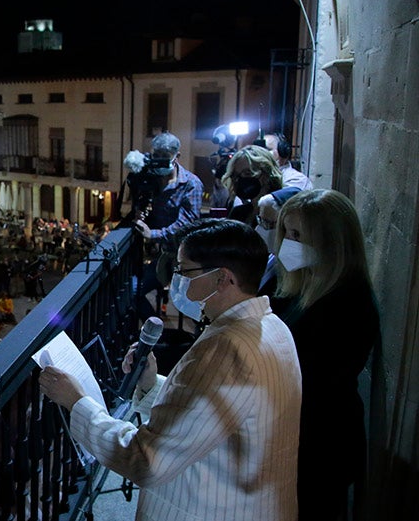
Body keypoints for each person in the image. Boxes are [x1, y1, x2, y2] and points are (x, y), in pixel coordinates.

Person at [40, 218, 302, 521]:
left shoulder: (225, 349)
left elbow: (147, 461)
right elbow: (216, 411)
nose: (174, 281)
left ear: (222, 279)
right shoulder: (273, 327)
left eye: (184, 271)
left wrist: (77, 402)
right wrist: (152, 385)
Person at [273, 189, 378, 520]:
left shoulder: (348, 301)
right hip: (301, 434)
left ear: (332, 242)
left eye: (298, 235)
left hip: (322, 444)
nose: (288, 243)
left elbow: (317, 375)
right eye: (286, 233)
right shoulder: (309, 284)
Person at [131, 132, 204, 320]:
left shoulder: (191, 184)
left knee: (192, 306)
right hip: (155, 255)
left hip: (178, 256)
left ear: (176, 156)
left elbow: (186, 224)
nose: (160, 162)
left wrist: (152, 233)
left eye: (165, 157)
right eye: (156, 156)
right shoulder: (151, 179)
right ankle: (154, 330)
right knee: (133, 291)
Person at [254, 186, 302, 299]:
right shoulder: (270, 257)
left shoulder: (293, 267)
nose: (259, 229)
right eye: (260, 220)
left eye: (268, 223)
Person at [220, 145, 284, 227]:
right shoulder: (238, 213)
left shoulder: (281, 214)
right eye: (236, 175)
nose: (240, 180)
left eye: (247, 173)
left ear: (266, 174)